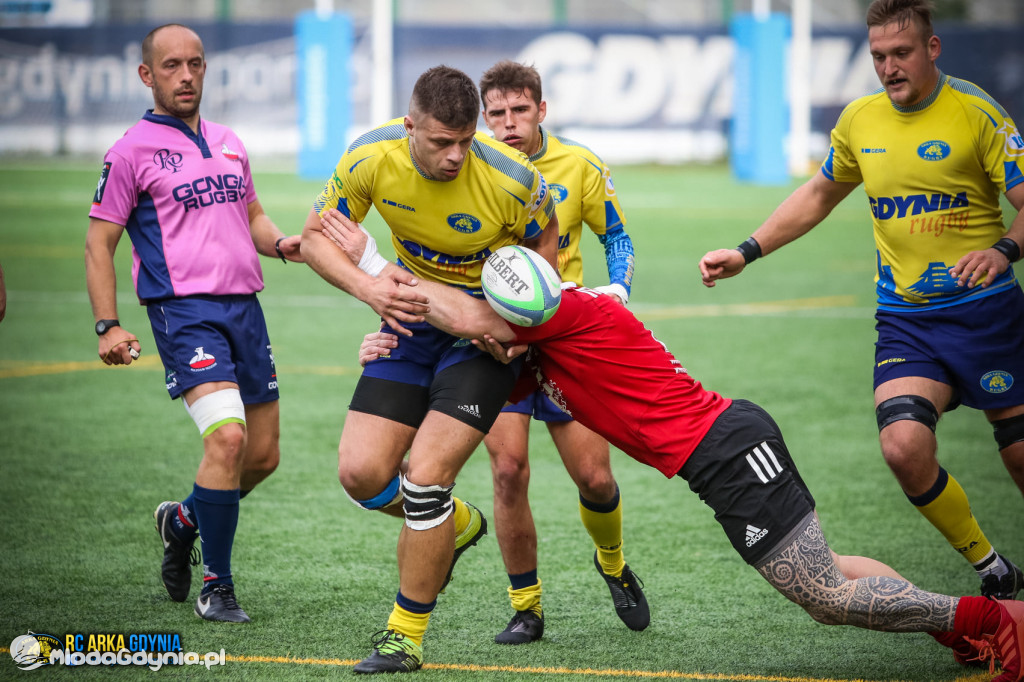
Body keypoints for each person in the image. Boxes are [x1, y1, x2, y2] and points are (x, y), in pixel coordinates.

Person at [329, 209, 1024, 680]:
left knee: (819, 593)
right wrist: (386, 343)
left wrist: (373, 260)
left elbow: (477, 315)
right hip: (722, 451)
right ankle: (958, 628)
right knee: (831, 570)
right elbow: (466, 370)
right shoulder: (534, 350)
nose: (500, 333)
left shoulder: (567, 315)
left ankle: (993, 617)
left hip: (726, 450)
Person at [699, 0, 1024, 600]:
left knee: (1019, 456)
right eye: (878, 56)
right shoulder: (860, 121)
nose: (889, 67)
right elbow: (821, 192)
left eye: (901, 53)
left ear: (932, 49)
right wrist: (747, 250)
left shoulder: (976, 112)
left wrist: (1004, 249)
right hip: (906, 321)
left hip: (986, 315)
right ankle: (991, 566)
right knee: (904, 448)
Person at [299, 65, 558, 673]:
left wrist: (522, 331)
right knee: (361, 475)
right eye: (442, 142)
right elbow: (312, 238)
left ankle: (404, 637)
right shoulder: (370, 157)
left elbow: (546, 240)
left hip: (481, 339)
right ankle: (459, 524)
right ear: (410, 126)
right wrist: (371, 290)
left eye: (466, 141)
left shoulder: (512, 178)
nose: (456, 155)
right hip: (411, 322)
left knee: (425, 477)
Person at [84, 24, 302, 624]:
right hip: (184, 315)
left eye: (196, 64)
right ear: (147, 75)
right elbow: (98, 243)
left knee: (261, 458)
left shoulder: (230, 141)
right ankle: (218, 586)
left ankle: (181, 522)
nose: (186, 76)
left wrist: (284, 243)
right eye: (172, 65)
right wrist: (108, 325)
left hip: (245, 311)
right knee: (227, 439)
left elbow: (252, 216)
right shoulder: (128, 151)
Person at [471, 60, 645, 643]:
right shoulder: (469, 168)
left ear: (541, 110)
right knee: (508, 471)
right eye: (496, 113)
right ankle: (527, 607)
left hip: (567, 339)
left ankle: (613, 564)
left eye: (520, 110)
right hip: (499, 342)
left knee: (595, 479)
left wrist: (617, 288)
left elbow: (615, 235)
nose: (509, 123)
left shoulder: (580, 164)